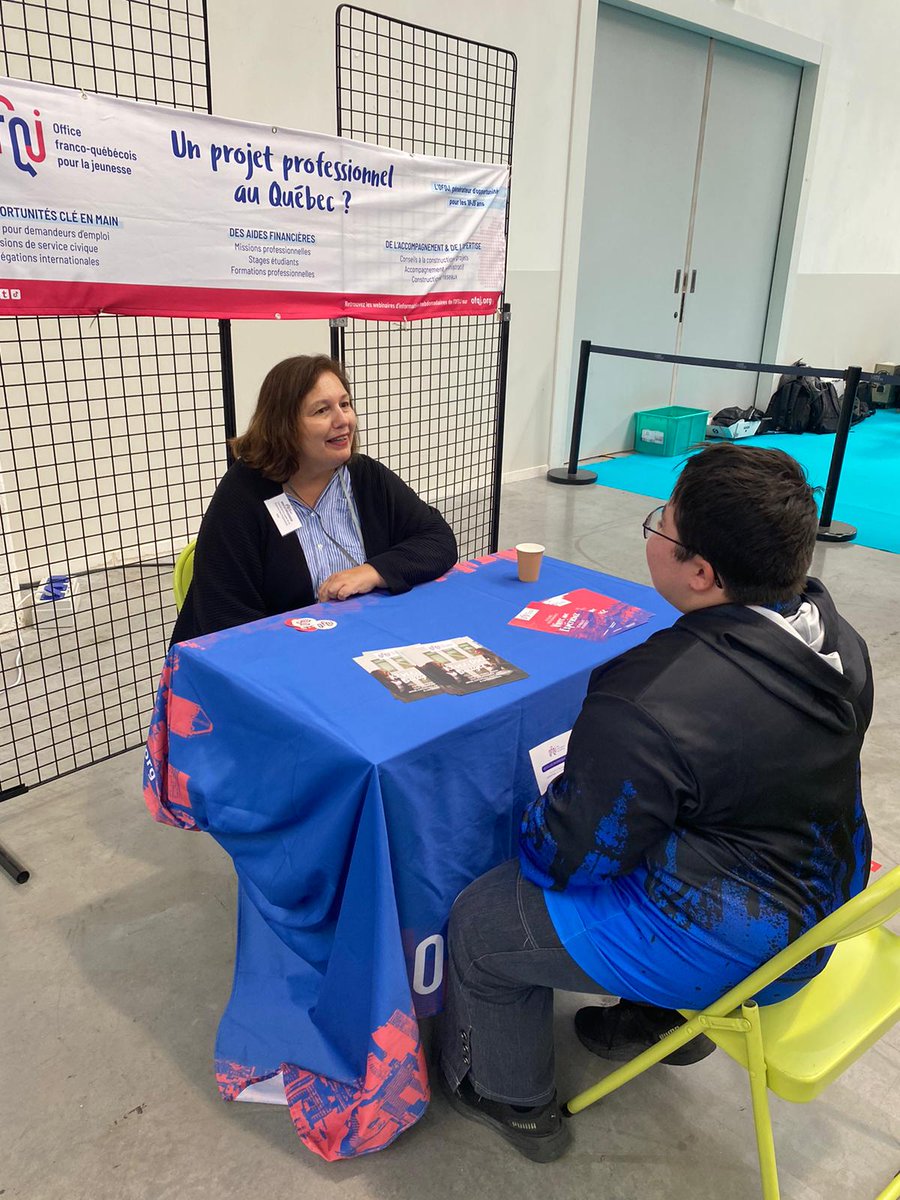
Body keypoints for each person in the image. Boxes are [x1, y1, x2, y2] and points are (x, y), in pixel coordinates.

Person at [436, 443, 873, 1163]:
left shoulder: (649, 694)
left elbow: (564, 858)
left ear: (701, 572)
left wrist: (540, 804)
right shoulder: (839, 639)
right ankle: (658, 1019)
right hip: (824, 903)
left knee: (482, 922)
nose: (654, 531)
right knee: (683, 823)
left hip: (743, 942)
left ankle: (510, 1093)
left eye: (661, 523)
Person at [170, 354, 458, 643]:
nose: (343, 420)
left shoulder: (364, 476)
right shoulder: (243, 496)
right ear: (284, 426)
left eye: (344, 404)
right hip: (280, 657)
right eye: (322, 411)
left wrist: (372, 572)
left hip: (359, 639)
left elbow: (438, 539)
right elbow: (226, 619)